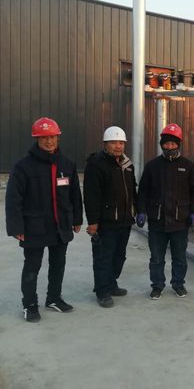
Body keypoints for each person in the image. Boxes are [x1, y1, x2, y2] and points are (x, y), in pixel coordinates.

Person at [6, 118, 83, 322]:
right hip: (34, 226)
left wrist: (76, 218)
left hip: (61, 225)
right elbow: (13, 199)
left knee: (58, 264)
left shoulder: (67, 164)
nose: (49, 141)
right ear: (36, 139)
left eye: (52, 137)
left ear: (58, 137)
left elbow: (75, 194)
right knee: (32, 267)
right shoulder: (23, 167)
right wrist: (16, 227)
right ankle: (30, 305)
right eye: (44, 137)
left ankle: (54, 299)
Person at [136, 124, 194, 300]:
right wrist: (141, 211)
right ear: (161, 144)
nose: (169, 147)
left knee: (179, 257)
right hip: (157, 220)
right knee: (156, 258)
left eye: (173, 144)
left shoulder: (188, 166)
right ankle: (157, 286)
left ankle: (178, 284)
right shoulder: (152, 166)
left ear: (178, 145)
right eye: (166, 144)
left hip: (180, 221)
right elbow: (143, 191)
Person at [84, 126, 137, 308]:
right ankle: (102, 291)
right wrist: (93, 222)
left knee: (119, 256)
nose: (118, 146)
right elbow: (91, 196)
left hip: (125, 220)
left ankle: (111, 283)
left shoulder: (127, 165)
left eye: (121, 143)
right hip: (106, 222)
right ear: (105, 144)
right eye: (113, 143)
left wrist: (136, 211)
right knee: (103, 258)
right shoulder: (96, 164)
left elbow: (133, 190)